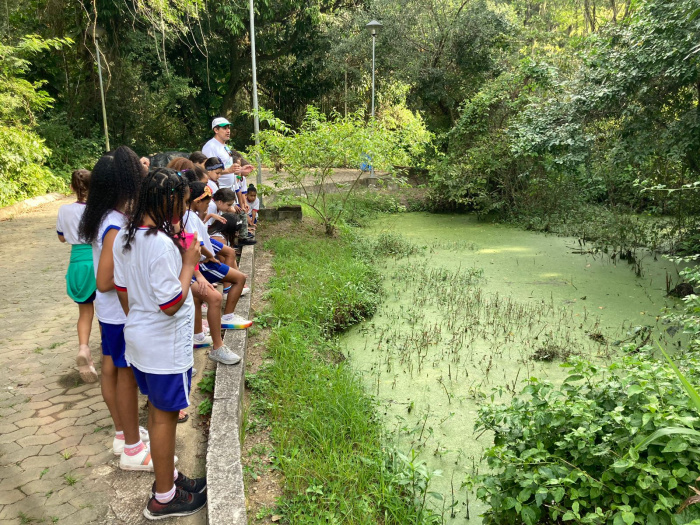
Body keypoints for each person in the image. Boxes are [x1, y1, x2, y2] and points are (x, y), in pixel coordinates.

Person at [113, 168, 207, 520]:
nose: (184, 212)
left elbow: (122, 291)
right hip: (163, 347)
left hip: (139, 340)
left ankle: (169, 478)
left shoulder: (128, 235)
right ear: (168, 202)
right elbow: (169, 304)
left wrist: (141, 320)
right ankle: (164, 496)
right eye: (182, 204)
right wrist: (188, 264)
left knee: (157, 411)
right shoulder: (163, 245)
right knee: (164, 417)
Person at [78, 146, 152, 468]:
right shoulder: (114, 225)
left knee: (113, 367)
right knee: (126, 375)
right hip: (120, 312)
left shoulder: (103, 215)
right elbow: (105, 281)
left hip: (110, 314)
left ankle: (124, 434)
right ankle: (134, 449)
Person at [183, 182, 253, 335]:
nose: (208, 207)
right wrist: (211, 257)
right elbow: (197, 243)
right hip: (203, 262)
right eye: (207, 204)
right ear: (197, 201)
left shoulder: (190, 215)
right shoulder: (189, 217)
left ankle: (201, 332)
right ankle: (226, 318)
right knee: (239, 279)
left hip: (202, 259)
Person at [57, 169, 98, 383]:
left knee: (84, 311)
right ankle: (107, 351)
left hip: (77, 263)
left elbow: (62, 238)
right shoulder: (98, 210)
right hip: (96, 260)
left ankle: (84, 349)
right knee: (105, 309)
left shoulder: (64, 210)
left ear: (72, 188)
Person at [201, 117, 254, 191]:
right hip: (218, 190)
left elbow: (227, 166)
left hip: (230, 189)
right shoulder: (210, 146)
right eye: (224, 128)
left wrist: (240, 170)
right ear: (216, 130)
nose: (228, 131)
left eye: (229, 128)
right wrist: (229, 170)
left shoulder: (224, 146)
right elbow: (209, 170)